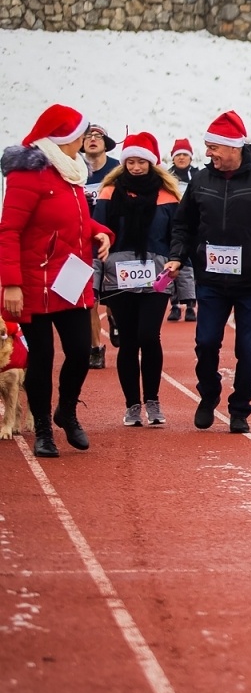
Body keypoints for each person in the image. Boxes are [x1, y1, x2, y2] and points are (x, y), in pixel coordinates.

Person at [164, 111, 251, 435]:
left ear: (233, 148)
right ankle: (208, 395)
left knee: (248, 350)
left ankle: (240, 408)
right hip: (211, 280)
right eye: (207, 147)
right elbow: (183, 223)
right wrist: (180, 256)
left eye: (213, 147)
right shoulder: (201, 180)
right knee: (206, 342)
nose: (208, 153)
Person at [0, 105, 114, 457]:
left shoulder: (72, 172)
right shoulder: (29, 175)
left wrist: (101, 233)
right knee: (42, 357)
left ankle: (66, 410)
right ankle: (44, 432)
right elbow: (9, 231)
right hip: (34, 282)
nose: (84, 140)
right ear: (64, 138)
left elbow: (77, 222)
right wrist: (12, 284)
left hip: (70, 278)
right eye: (80, 134)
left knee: (81, 352)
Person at [92, 133, 181, 427]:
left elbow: (178, 240)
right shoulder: (108, 193)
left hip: (156, 275)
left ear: (152, 162)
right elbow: (97, 236)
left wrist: (186, 285)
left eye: (141, 161)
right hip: (119, 276)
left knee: (148, 335)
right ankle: (132, 405)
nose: (135, 167)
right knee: (128, 341)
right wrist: (95, 282)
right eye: (130, 161)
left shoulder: (168, 196)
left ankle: (153, 400)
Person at [82, 123, 120, 369]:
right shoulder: (74, 169)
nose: (92, 139)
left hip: (116, 242)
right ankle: (96, 347)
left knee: (117, 298)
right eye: (88, 136)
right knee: (89, 301)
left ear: (106, 143)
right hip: (85, 245)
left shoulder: (117, 169)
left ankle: (116, 318)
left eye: (98, 136)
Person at [166, 138, 199, 323]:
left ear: (190, 157)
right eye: (178, 154)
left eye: (185, 154)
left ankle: (191, 307)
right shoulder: (166, 176)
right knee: (173, 265)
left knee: (191, 268)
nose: (181, 158)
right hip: (172, 226)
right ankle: (174, 305)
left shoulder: (197, 175)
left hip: (193, 226)